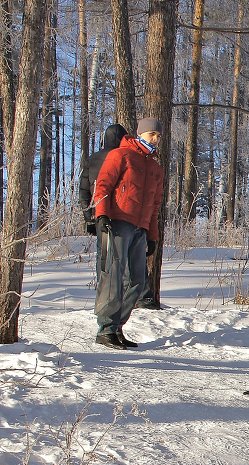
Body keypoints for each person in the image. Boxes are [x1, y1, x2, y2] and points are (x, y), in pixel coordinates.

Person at [91, 118, 165, 350]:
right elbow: (103, 185)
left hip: (140, 227)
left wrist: (152, 235)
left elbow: (154, 205)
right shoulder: (121, 155)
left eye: (158, 135)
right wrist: (101, 215)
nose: (156, 139)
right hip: (118, 221)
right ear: (140, 134)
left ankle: (116, 327)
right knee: (113, 276)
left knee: (137, 281)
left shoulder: (155, 167)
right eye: (152, 134)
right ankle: (106, 329)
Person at [78, 123, 127, 279]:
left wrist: (89, 218)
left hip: (99, 213)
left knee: (104, 256)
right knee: (123, 258)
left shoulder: (92, 159)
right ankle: (120, 296)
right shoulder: (126, 158)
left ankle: (103, 290)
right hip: (122, 214)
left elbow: (83, 190)